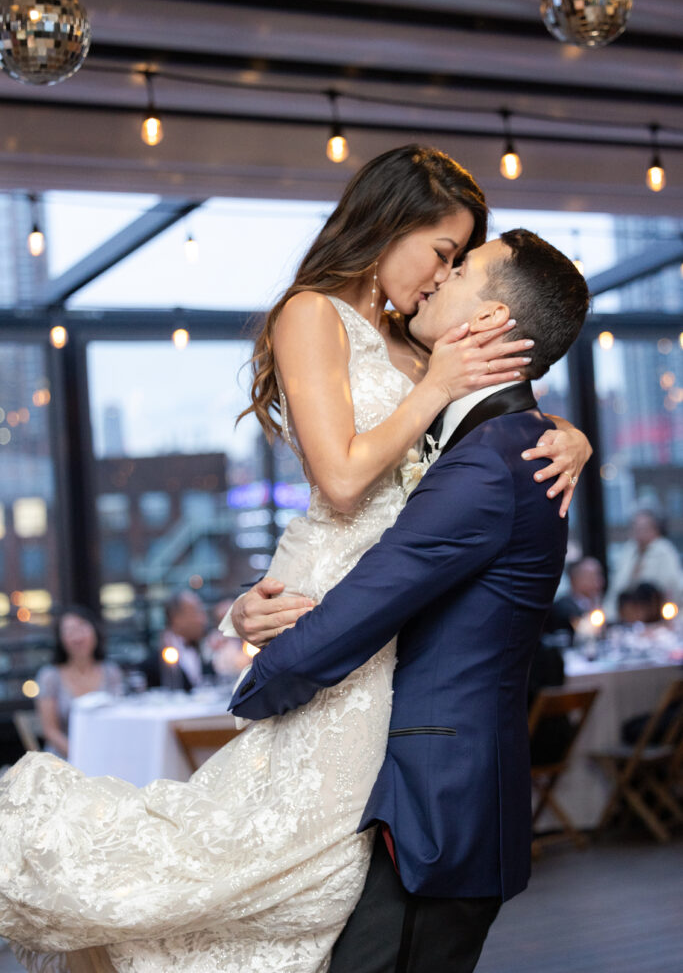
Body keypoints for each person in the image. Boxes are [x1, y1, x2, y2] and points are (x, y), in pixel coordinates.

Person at [0, 146, 589, 973]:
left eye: (457, 264)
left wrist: (572, 437)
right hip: (341, 607)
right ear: (390, 224)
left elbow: (488, 428)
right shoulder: (312, 313)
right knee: (257, 849)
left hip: (390, 629)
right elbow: (344, 479)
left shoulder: (418, 345)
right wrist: (252, 611)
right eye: (442, 254)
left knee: (321, 877)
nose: (437, 277)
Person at [231, 228, 590, 973]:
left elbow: (370, 602)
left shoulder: (492, 462)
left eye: (460, 269)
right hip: (432, 794)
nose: (437, 279)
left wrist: (252, 692)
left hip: (438, 803)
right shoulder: (497, 442)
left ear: (490, 320)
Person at [36, 607, 123, 759]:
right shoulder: (50, 676)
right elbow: (50, 731)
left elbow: (121, 718)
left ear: (95, 631)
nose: (77, 636)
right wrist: (81, 755)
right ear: (60, 639)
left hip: (108, 753)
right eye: (69, 631)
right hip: (65, 760)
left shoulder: (111, 672)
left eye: (82, 627)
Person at [604, 508, 683, 618]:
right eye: (636, 528)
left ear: (655, 529)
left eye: (643, 528)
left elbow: (672, 585)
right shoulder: (628, 551)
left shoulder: (665, 551)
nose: (639, 532)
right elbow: (617, 586)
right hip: (627, 612)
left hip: (656, 611)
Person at [140, 590, 210, 692]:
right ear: (176, 618)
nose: (203, 619)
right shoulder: (153, 663)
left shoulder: (206, 650)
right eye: (196, 612)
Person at [545, 555, 605, 644]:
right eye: (592, 576)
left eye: (599, 575)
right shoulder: (562, 608)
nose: (599, 581)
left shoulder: (595, 604)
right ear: (575, 579)